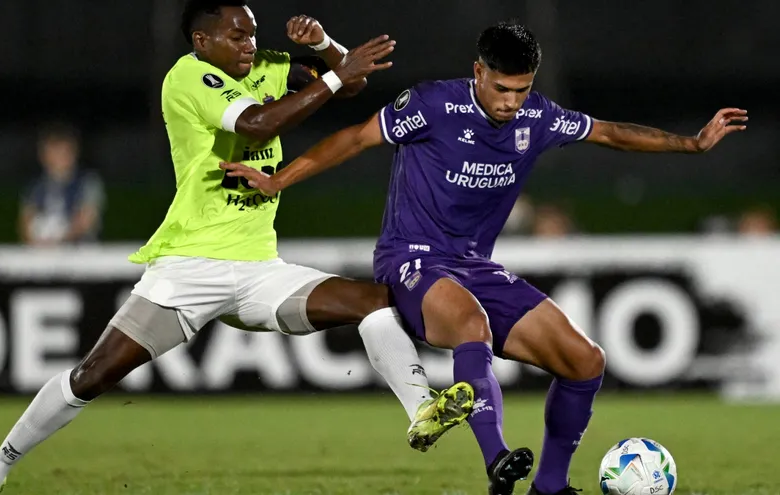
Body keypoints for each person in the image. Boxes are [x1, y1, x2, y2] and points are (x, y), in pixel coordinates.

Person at [0, 2, 473, 494]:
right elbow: (261, 125)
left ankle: (422, 409)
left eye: (253, 34)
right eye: (236, 36)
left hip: (261, 269)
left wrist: (326, 46)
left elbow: (344, 88)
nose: (248, 44)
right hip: (189, 267)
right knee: (91, 377)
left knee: (373, 302)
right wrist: (335, 71)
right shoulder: (187, 77)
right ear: (201, 40)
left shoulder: (264, 64)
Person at [219, 21, 747, 495]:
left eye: (522, 90)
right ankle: (497, 460)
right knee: (471, 324)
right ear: (478, 72)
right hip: (412, 259)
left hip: (475, 266)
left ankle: (550, 488)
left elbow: (609, 132)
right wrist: (277, 180)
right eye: (501, 88)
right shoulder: (431, 105)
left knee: (585, 361)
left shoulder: (537, 117)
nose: (511, 101)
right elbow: (355, 139)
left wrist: (692, 145)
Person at [18, 122, 105, 245]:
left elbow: (86, 220)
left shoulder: (87, 182)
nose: (57, 157)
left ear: (73, 152)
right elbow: (25, 222)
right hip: (43, 255)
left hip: (80, 253)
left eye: (62, 151)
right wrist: (37, 241)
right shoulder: (35, 187)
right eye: (52, 151)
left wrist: (57, 239)